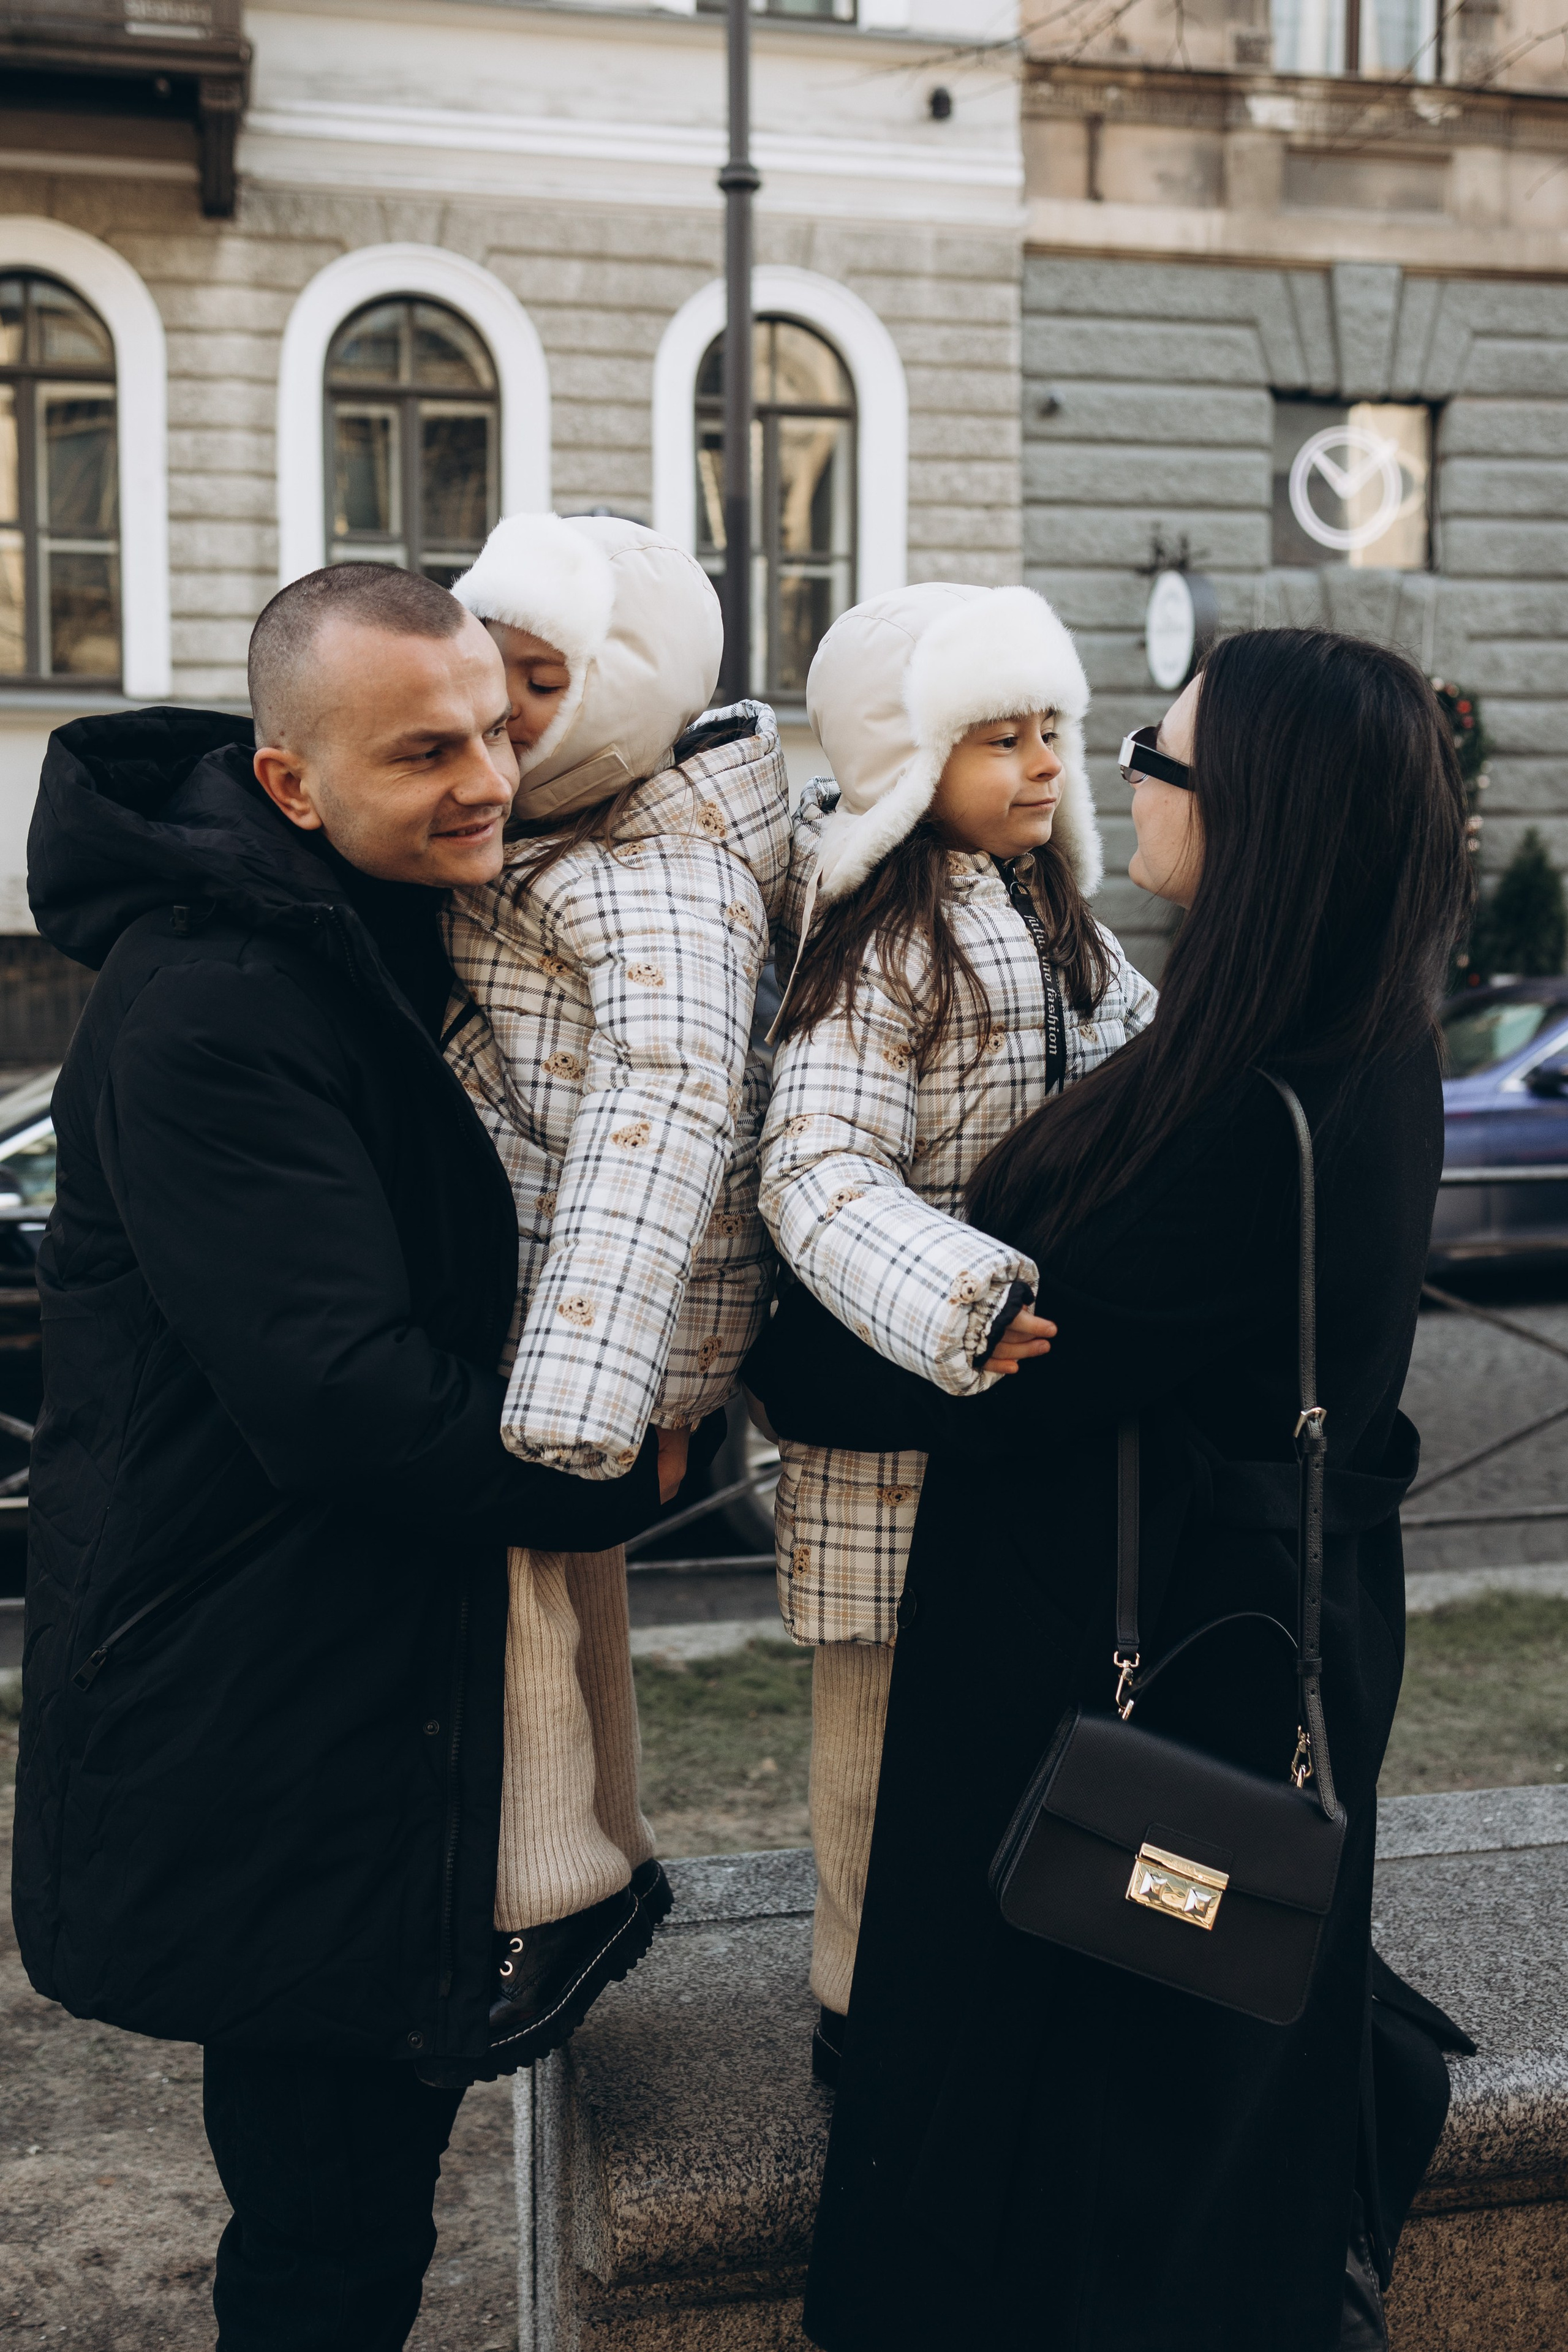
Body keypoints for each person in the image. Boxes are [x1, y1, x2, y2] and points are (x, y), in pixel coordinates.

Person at [745, 627, 1474, 2352]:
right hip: (1253, 1643)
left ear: (1257, 815)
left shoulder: (1236, 1110)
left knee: (1084, 2140)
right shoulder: (1358, 1041)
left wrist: (780, 1344)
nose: (1117, 773)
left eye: (1158, 752)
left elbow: (998, 1368)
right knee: (1190, 2093)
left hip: (1129, 1683)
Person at [13, 564, 703, 2350]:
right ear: (290, 783)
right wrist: (619, 1472)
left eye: (495, 728)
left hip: (348, 1669)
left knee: (358, 2207)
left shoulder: (389, 934)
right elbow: (340, 1392)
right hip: (260, 1691)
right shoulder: (218, 999)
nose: (486, 778)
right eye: (423, 752)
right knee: (327, 2228)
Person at [755, 583, 1154, 2081]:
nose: (1044, 763)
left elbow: (1146, 1059)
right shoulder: (885, 939)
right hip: (895, 1406)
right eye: (998, 739)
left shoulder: (1057, 918)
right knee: (872, 1728)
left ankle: (995, 1979)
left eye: (1051, 728)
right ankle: (858, 2007)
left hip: (1014, 1419)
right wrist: (958, 1295)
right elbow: (813, 1164)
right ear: (908, 761)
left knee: (1010, 1718)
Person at [437, 511, 790, 2072]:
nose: (501, 713)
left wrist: (581, 1395)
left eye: (541, 681)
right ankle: (608, 1851)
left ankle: (549, 1889)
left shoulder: (654, 870)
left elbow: (665, 1106)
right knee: (566, 1581)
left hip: (603, 1298)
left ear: (626, 694)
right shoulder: (578, 830)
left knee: (512, 1572)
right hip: (583, 1281)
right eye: (487, 671)